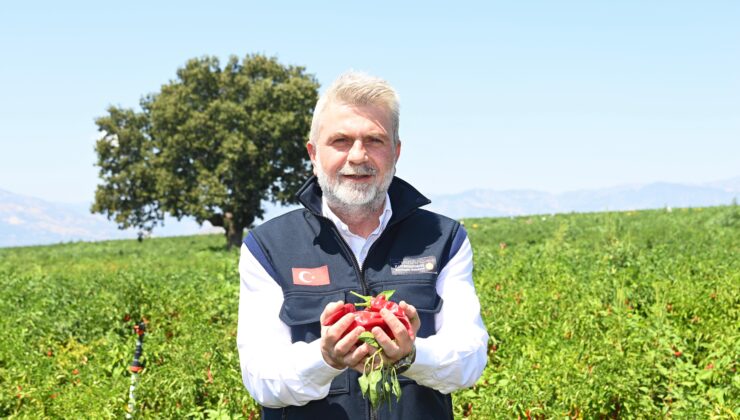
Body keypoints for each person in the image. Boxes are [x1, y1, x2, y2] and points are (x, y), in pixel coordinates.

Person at [237, 71, 489, 419]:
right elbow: (261, 377)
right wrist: (324, 358)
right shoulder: (269, 247)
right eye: (341, 140)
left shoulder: (442, 239)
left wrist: (411, 355)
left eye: (374, 140)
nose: (358, 156)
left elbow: (470, 358)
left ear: (396, 152)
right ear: (313, 153)